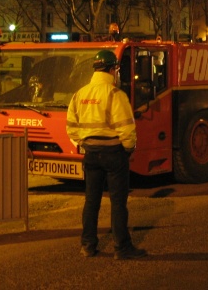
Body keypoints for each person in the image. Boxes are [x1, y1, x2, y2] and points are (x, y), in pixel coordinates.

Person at [66, 49, 147, 260]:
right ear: (112, 70)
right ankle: (122, 248)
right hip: (114, 153)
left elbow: (71, 128)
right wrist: (128, 148)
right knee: (118, 202)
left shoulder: (80, 94)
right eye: (116, 70)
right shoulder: (115, 94)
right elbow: (127, 129)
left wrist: (84, 143)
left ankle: (88, 245)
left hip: (91, 154)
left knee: (91, 201)